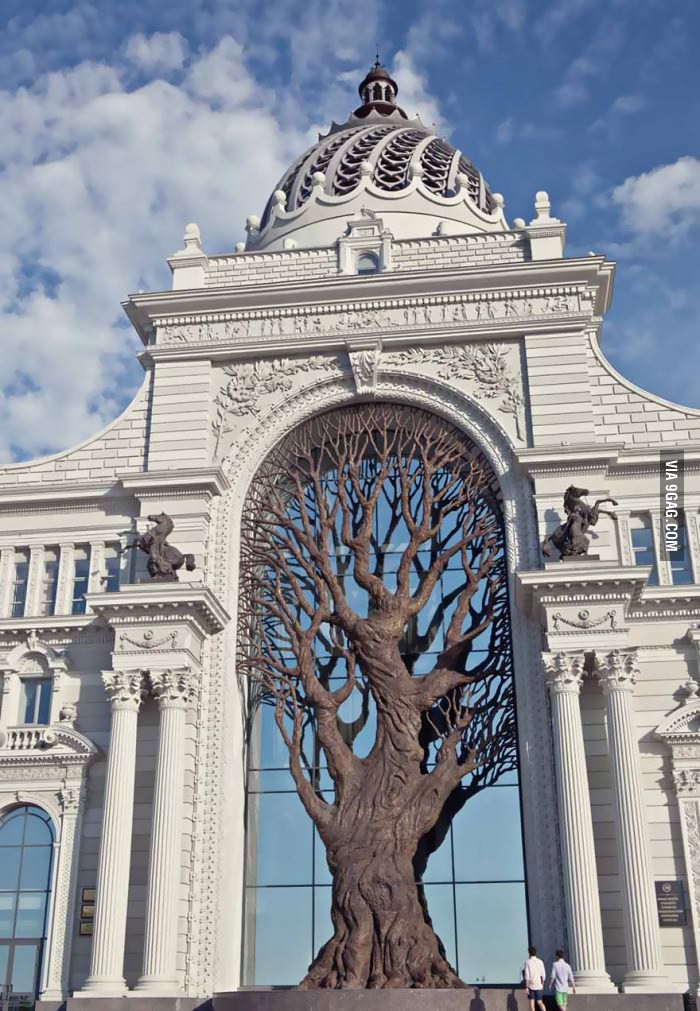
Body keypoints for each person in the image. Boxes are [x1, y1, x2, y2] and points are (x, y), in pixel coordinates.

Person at [522, 944, 546, 1011]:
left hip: (531, 985)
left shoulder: (527, 962)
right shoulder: (540, 961)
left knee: (532, 1004)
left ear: (529, 953)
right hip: (539, 985)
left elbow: (527, 976)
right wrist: (542, 984)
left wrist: (526, 987)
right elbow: (543, 974)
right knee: (540, 1002)